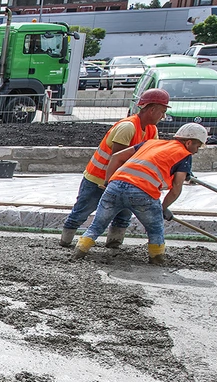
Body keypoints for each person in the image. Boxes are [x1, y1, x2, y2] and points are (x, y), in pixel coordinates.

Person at [74, 122, 208, 266]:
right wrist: (163, 208)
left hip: (115, 186)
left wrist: (108, 182)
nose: (196, 151)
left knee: (97, 225)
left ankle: (80, 251)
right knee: (155, 228)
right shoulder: (184, 155)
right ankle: (156, 258)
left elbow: (117, 156)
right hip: (143, 192)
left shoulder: (150, 143)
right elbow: (176, 187)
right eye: (197, 146)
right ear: (188, 143)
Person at [59, 88, 169, 248]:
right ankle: (65, 241)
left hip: (122, 182)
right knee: (82, 211)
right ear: (152, 110)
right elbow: (117, 159)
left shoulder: (152, 130)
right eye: (162, 111)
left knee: (123, 214)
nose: (163, 116)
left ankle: (114, 244)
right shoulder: (128, 127)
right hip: (98, 179)